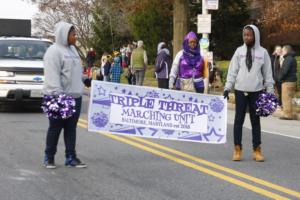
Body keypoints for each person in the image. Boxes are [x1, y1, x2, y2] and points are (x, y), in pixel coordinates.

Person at [223, 25, 274, 162]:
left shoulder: (263, 53)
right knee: (238, 121)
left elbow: (268, 75)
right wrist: (228, 87)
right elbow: (232, 71)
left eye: (249, 35)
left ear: (255, 36)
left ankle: (257, 150)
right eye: (245, 35)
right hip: (240, 90)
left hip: (256, 91)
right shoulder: (239, 51)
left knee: (255, 121)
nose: (246, 37)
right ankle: (237, 149)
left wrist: (270, 93)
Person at [42, 21, 88, 169]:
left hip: (75, 96)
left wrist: (85, 80)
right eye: (73, 34)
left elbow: (76, 72)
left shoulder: (74, 50)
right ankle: (49, 157)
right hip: (57, 96)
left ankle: (71, 157)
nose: (75, 37)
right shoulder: (53, 51)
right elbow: (52, 76)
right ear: (64, 34)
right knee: (55, 128)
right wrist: (59, 97)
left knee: (71, 128)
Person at [278, 45, 297, 120]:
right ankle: (289, 114)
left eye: (282, 50)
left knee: (286, 98)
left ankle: (287, 115)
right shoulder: (292, 58)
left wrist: (280, 78)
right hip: (292, 80)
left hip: (287, 81)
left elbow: (284, 71)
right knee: (289, 98)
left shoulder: (288, 59)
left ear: (286, 51)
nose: (282, 52)